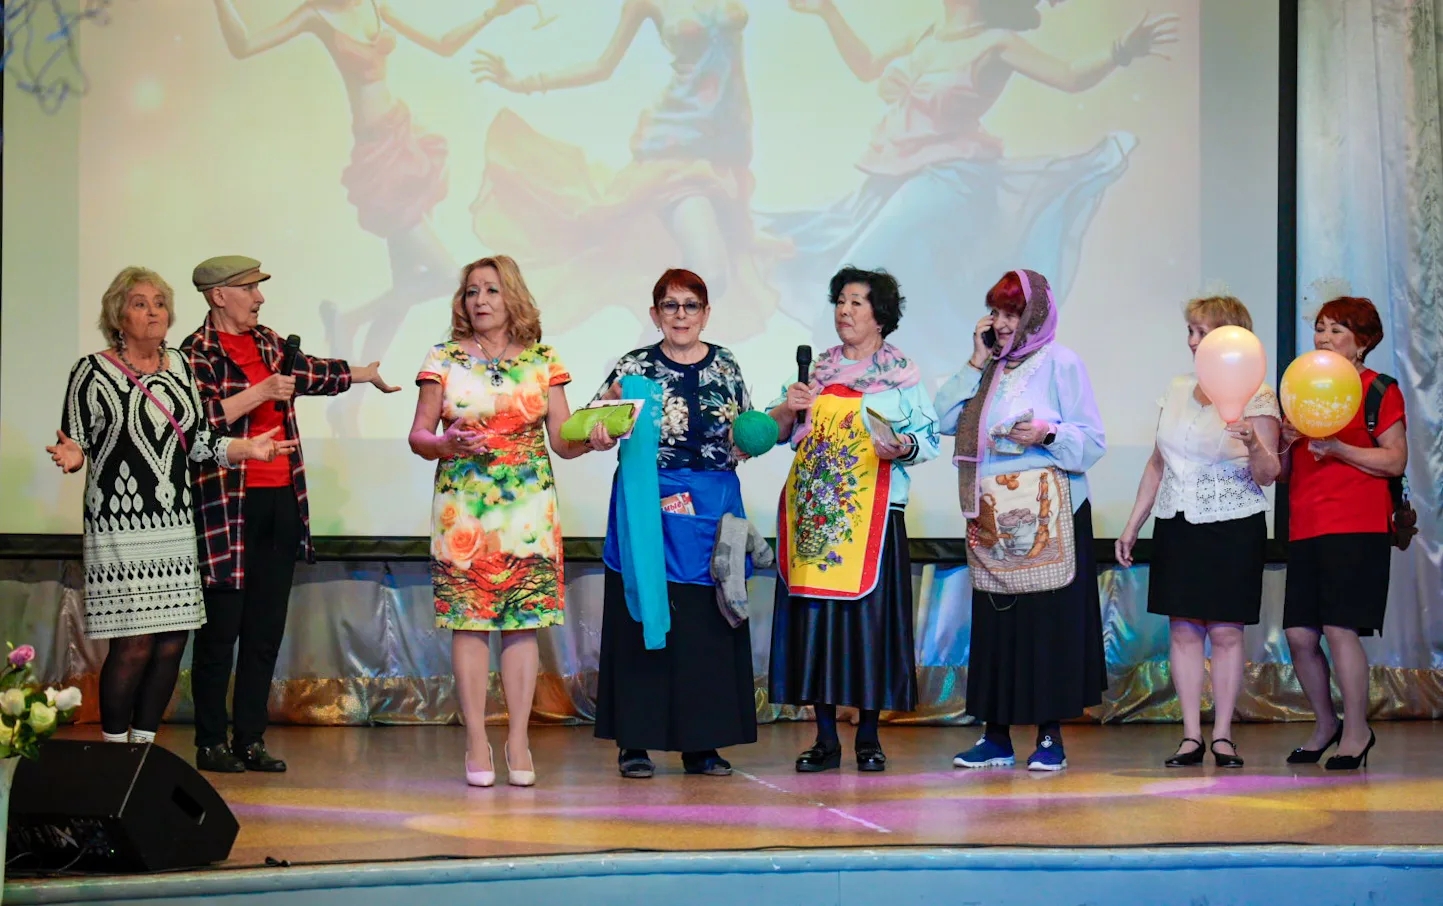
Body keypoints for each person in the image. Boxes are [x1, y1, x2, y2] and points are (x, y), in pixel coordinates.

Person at [773, 0, 1177, 383]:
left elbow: (1069, 76)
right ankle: (895, 389)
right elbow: (867, 67)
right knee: (891, 291)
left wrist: (1122, 49)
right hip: (896, 173)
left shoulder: (995, 43)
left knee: (854, 280)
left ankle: (836, 380)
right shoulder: (930, 32)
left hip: (949, 179)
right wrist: (828, 11)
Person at [211, 0, 538, 431]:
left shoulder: (373, 6)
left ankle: (350, 405)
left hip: (401, 140)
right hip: (379, 156)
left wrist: (493, 12)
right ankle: (351, 320)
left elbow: (442, 44)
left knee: (402, 292)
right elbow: (244, 44)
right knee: (449, 277)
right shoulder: (317, 15)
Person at [46, 267, 294, 748]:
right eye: (140, 303)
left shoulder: (179, 364)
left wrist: (246, 449)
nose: (153, 311)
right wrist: (73, 455)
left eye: (159, 302)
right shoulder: (91, 371)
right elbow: (74, 438)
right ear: (118, 317)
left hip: (175, 521)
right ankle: (114, 753)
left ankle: (142, 749)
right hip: (119, 525)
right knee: (134, 642)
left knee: (172, 642)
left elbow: (199, 439)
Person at [183, 255, 399, 774]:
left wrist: (362, 375)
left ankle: (249, 739)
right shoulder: (195, 353)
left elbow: (310, 373)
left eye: (258, 289)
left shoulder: (268, 342)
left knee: (264, 631)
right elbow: (198, 421)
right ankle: (210, 741)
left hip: (280, 500)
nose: (259, 298)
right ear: (219, 295)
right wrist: (259, 392)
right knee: (221, 632)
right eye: (249, 289)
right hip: (227, 506)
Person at [470, 0, 786, 343]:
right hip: (676, 146)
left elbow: (735, 74)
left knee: (713, 275)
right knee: (710, 272)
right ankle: (640, 364)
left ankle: (636, 365)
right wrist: (522, 82)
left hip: (723, 150)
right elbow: (602, 66)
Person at [409, 255, 597, 788]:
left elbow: (562, 440)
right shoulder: (442, 357)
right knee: (468, 625)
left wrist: (595, 436)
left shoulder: (543, 359)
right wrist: (444, 443)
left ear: (511, 295)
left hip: (527, 513)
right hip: (463, 510)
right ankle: (475, 740)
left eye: (491, 289)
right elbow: (419, 435)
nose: (481, 300)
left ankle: (518, 740)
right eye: (472, 291)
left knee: (521, 625)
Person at [768, 267, 940, 773]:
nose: (844, 311)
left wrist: (902, 445)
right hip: (818, 518)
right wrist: (788, 408)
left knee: (868, 628)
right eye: (840, 301)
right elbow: (777, 432)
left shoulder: (901, 374)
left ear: (880, 315)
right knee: (817, 629)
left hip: (875, 520)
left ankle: (868, 735)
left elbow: (928, 439)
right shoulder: (816, 372)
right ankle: (824, 738)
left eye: (856, 302)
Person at [589, 269, 759, 779]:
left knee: (707, 622)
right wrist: (598, 429)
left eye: (690, 306)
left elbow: (744, 435)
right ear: (654, 313)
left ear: (706, 314)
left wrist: (762, 434)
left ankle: (701, 744)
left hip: (712, 509)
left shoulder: (726, 364)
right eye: (670, 305)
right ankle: (635, 741)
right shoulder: (633, 367)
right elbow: (587, 427)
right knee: (641, 614)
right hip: (647, 506)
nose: (680, 315)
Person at [936, 268, 1106, 772]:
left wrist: (1046, 434)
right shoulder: (988, 368)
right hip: (994, 514)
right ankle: (996, 736)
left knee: (1046, 624)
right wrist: (975, 360)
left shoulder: (1061, 363)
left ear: (1034, 315)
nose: (1002, 323)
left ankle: (1050, 735)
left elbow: (1092, 441)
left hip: (1049, 513)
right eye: (996, 312)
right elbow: (942, 420)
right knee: (997, 623)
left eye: (1012, 313)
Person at [1115, 296, 1281, 769]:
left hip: (1233, 523)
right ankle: (1190, 736)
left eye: (1202, 332)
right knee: (1184, 629)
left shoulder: (1258, 393)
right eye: (1190, 331)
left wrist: (1253, 443)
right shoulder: (1177, 388)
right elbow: (1157, 463)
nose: (1192, 341)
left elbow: (1270, 474)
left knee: (1225, 631)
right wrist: (1133, 524)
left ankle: (1223, 735)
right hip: (1178, 520)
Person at [1281, 296, 1407, 770]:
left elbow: (1395, 459)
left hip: (1357, 524)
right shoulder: (1303, 390)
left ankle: (1357, 731)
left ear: (1363, 342)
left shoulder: (1379, 389)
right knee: (1298, 634)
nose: (1324, 338)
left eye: (1337, 330)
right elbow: (1285, 472)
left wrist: (1338, 448)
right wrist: (1284, 442)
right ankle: (1325, 724)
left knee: (1339, 629)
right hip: (1305, 524)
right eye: (1320, 328)